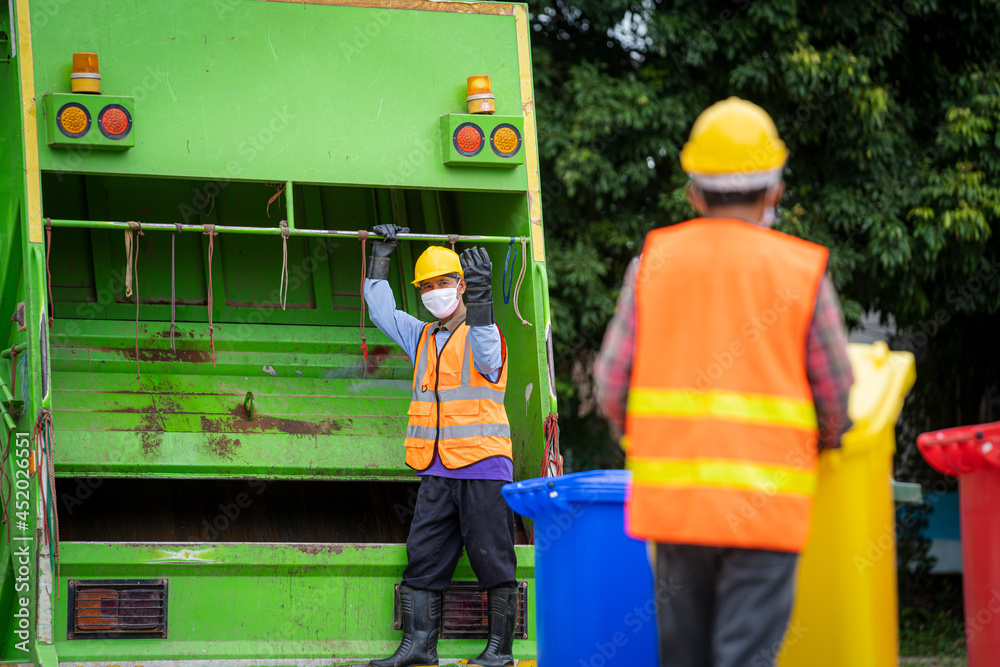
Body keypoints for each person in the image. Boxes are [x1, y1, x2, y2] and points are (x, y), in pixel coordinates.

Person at [593, 97, 854, 667]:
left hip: (678, 507)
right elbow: (834, 388)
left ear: (693, 192)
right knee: (742, 657)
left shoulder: (652, 263)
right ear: (775, 191)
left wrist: (640, 439)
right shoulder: (801, 269)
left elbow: (611, 384)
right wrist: (830, 438)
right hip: (766, 508)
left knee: (684, 657)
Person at [364, 223, 518, 667]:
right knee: (424, 557)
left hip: (483, 467)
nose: (434, 292)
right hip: (436, 469)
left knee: (493, 559)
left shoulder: (485, 334)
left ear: (462, 286)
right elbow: (381, 312)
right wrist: (381, 258)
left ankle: (499, 653)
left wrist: (484, 300)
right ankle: (418, 650)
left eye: (442, 283)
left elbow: (488, 357)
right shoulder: (423, 336)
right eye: (426, 286)